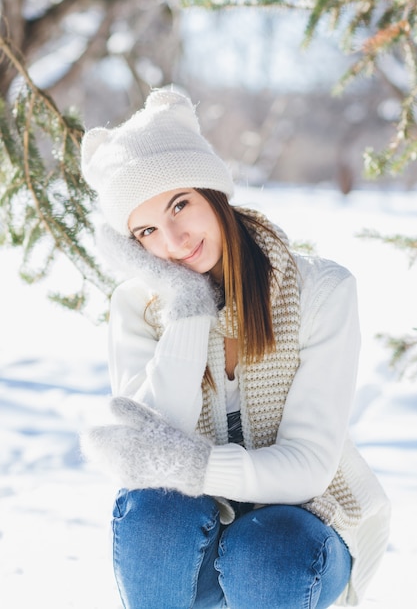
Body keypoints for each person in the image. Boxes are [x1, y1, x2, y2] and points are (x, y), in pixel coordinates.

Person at [80, 87, 390, 609]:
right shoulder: (137, 306)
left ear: (213, 194)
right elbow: (151, 454)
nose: (174, 240)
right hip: (189, 541)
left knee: (267, 545)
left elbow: (308, 466)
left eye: (181, 204)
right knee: (153, 511)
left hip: (304, 531)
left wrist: (195, 467)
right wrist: (187, 308)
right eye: (147, 230)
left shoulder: (321, 291)